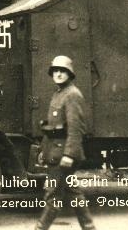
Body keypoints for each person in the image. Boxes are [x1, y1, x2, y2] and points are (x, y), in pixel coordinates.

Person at [35, 55, 95, 230]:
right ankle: (89, 227)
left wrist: (69, 154)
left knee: (52, 196)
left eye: (63, 71)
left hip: (62, 156)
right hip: (55, 153)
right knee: (73, 192)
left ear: (70, 73)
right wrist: (42, 150)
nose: (59, 74)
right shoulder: (59, 93)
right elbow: (52, 129)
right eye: (56, 70)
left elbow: (76, 129)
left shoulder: (72, 95)